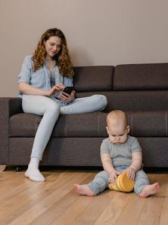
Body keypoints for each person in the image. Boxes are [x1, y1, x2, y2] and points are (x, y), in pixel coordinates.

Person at [18, 28, 107, 182]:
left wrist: (70, 96)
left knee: (102, 100)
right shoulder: (30, 60)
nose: (55, 48)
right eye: (52, 44)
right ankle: (32, 165)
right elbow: (22, 86)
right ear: (44, 42)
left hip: (58, 103)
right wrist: (47, 93)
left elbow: (70, 89)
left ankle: (57, 112)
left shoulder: (64, 64)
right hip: (33, 99)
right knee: (52, 107)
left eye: (58, 46)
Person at [74, 110, 160, 197]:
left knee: (141, 176)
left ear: (127, 129)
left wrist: (133, 168)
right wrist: (111, 171)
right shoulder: (105, 143)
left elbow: (137, 158)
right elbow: (106, 161)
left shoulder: (133, 141)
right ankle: (92, 188)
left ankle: (142, 189)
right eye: (113, 135)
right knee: (101, 176)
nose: (117, 138)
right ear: (108, 130)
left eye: (121, 134)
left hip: (131, 170)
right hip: (114, 169)